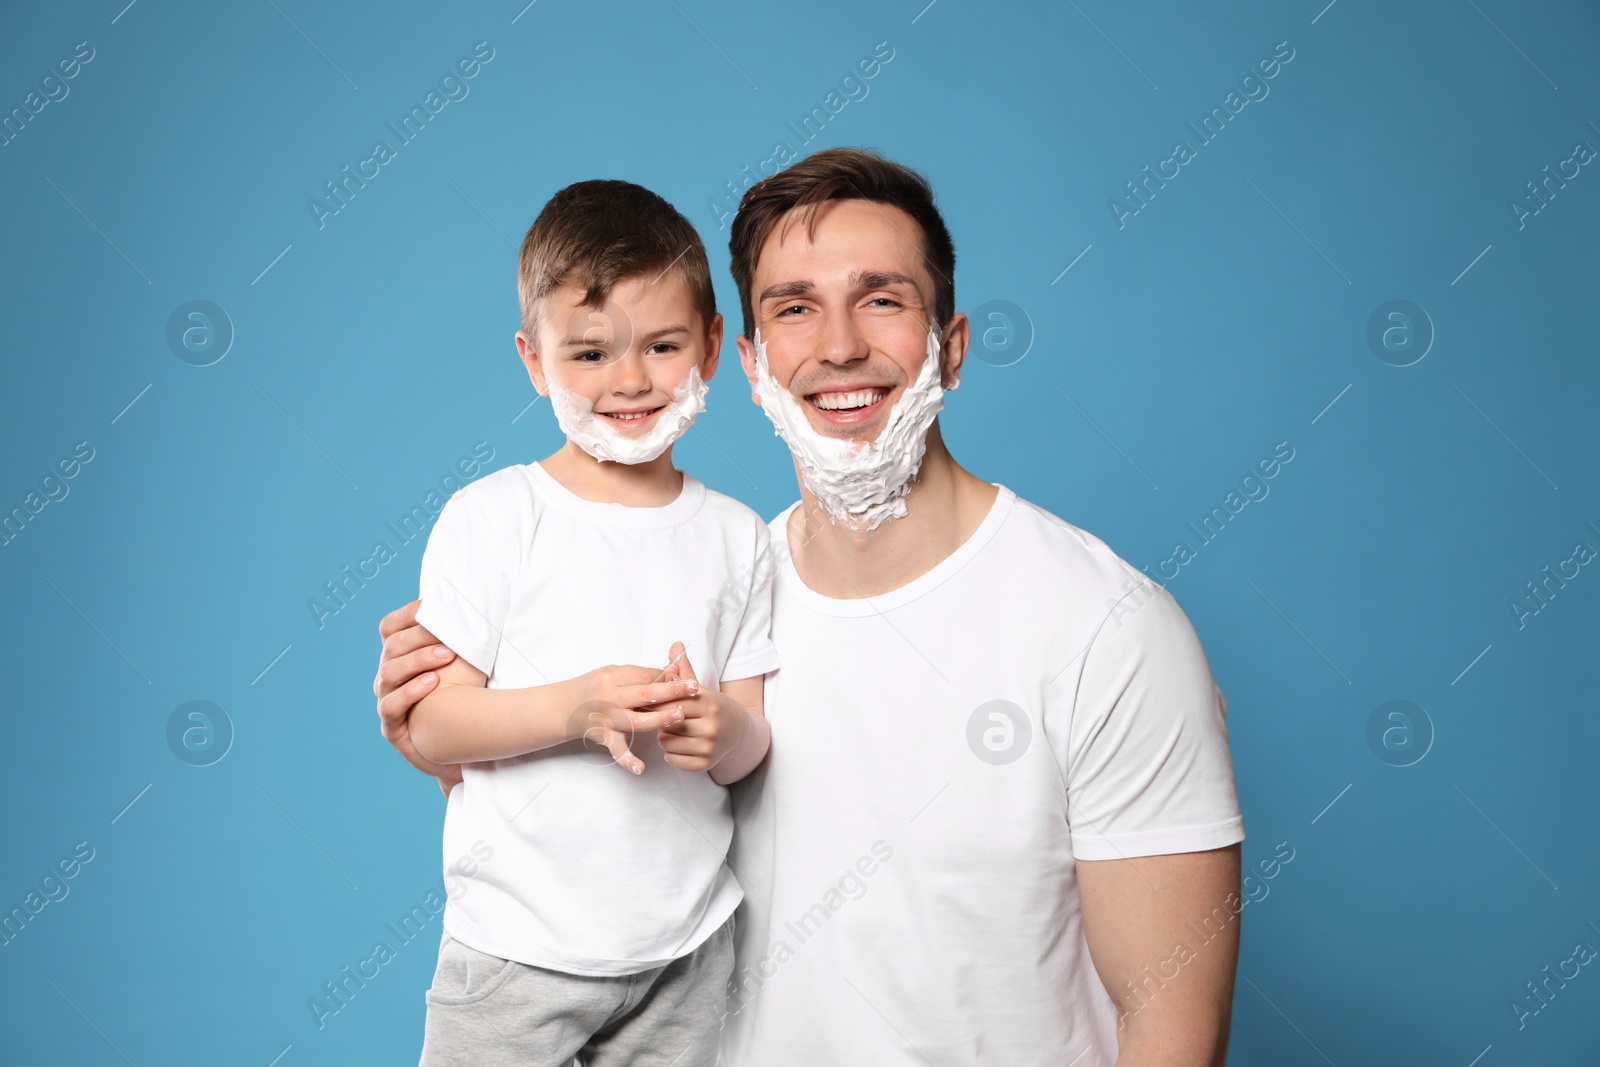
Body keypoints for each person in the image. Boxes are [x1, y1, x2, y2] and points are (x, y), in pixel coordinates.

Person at [377, 149, 1245, 1066]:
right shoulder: (716, 578)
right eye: (795, 307)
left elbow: (1169, 1030)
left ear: (949, 346)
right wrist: (444, 739)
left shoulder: (1110, 630)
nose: (837, 346)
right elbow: (587, 828)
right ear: (749, 361)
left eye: (881, 298)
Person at [402, 178, 780, 1067]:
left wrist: (718, 729)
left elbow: (754, 739)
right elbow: (432, 722)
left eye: (662, 345)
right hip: (515, 945)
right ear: (534, 362)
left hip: (684, 950)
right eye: (589, 354)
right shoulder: (493, 516)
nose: (630, 380)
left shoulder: (738, 536)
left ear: (714, 348)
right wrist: (578, 708)